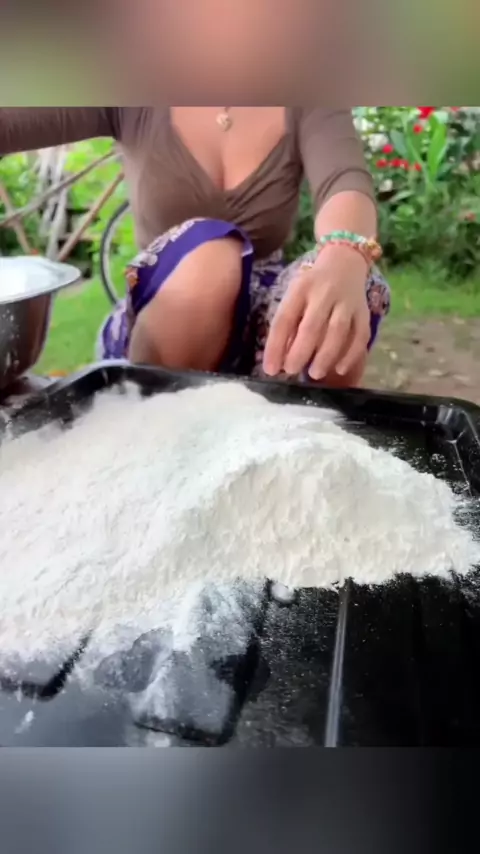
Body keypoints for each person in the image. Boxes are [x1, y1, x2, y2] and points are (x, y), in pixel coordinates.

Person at [0, 107, 390, 385]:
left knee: (356, 286)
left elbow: (344, 180)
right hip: (166, 315)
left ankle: (299, 443)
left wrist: (343, 254)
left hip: (269, 336)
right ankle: (149, 429)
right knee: (212, 254)